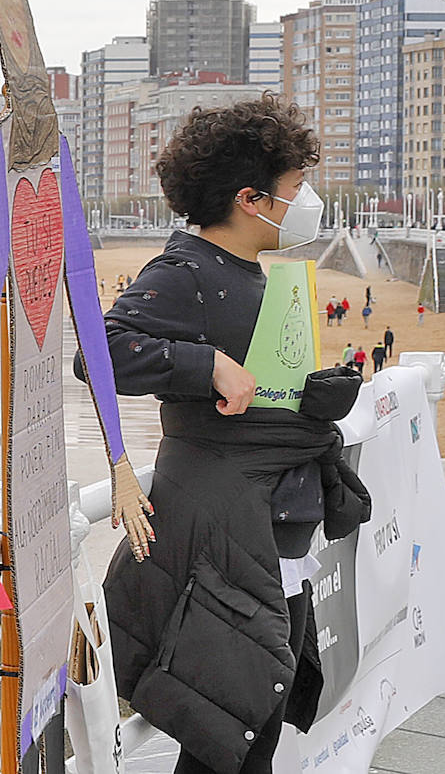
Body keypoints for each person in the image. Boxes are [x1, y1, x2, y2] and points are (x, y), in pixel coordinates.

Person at [93, 96, 370, 774]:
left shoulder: (253, 275)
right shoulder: (186, 272)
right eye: (296, 187)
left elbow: (261, 382)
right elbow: (102, 351)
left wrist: (309, 395)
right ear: (251, 199)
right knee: (229, 734)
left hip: (272, 529)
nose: (306, 202)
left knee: (251, 732)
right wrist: (204, 364)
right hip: (227, 532)